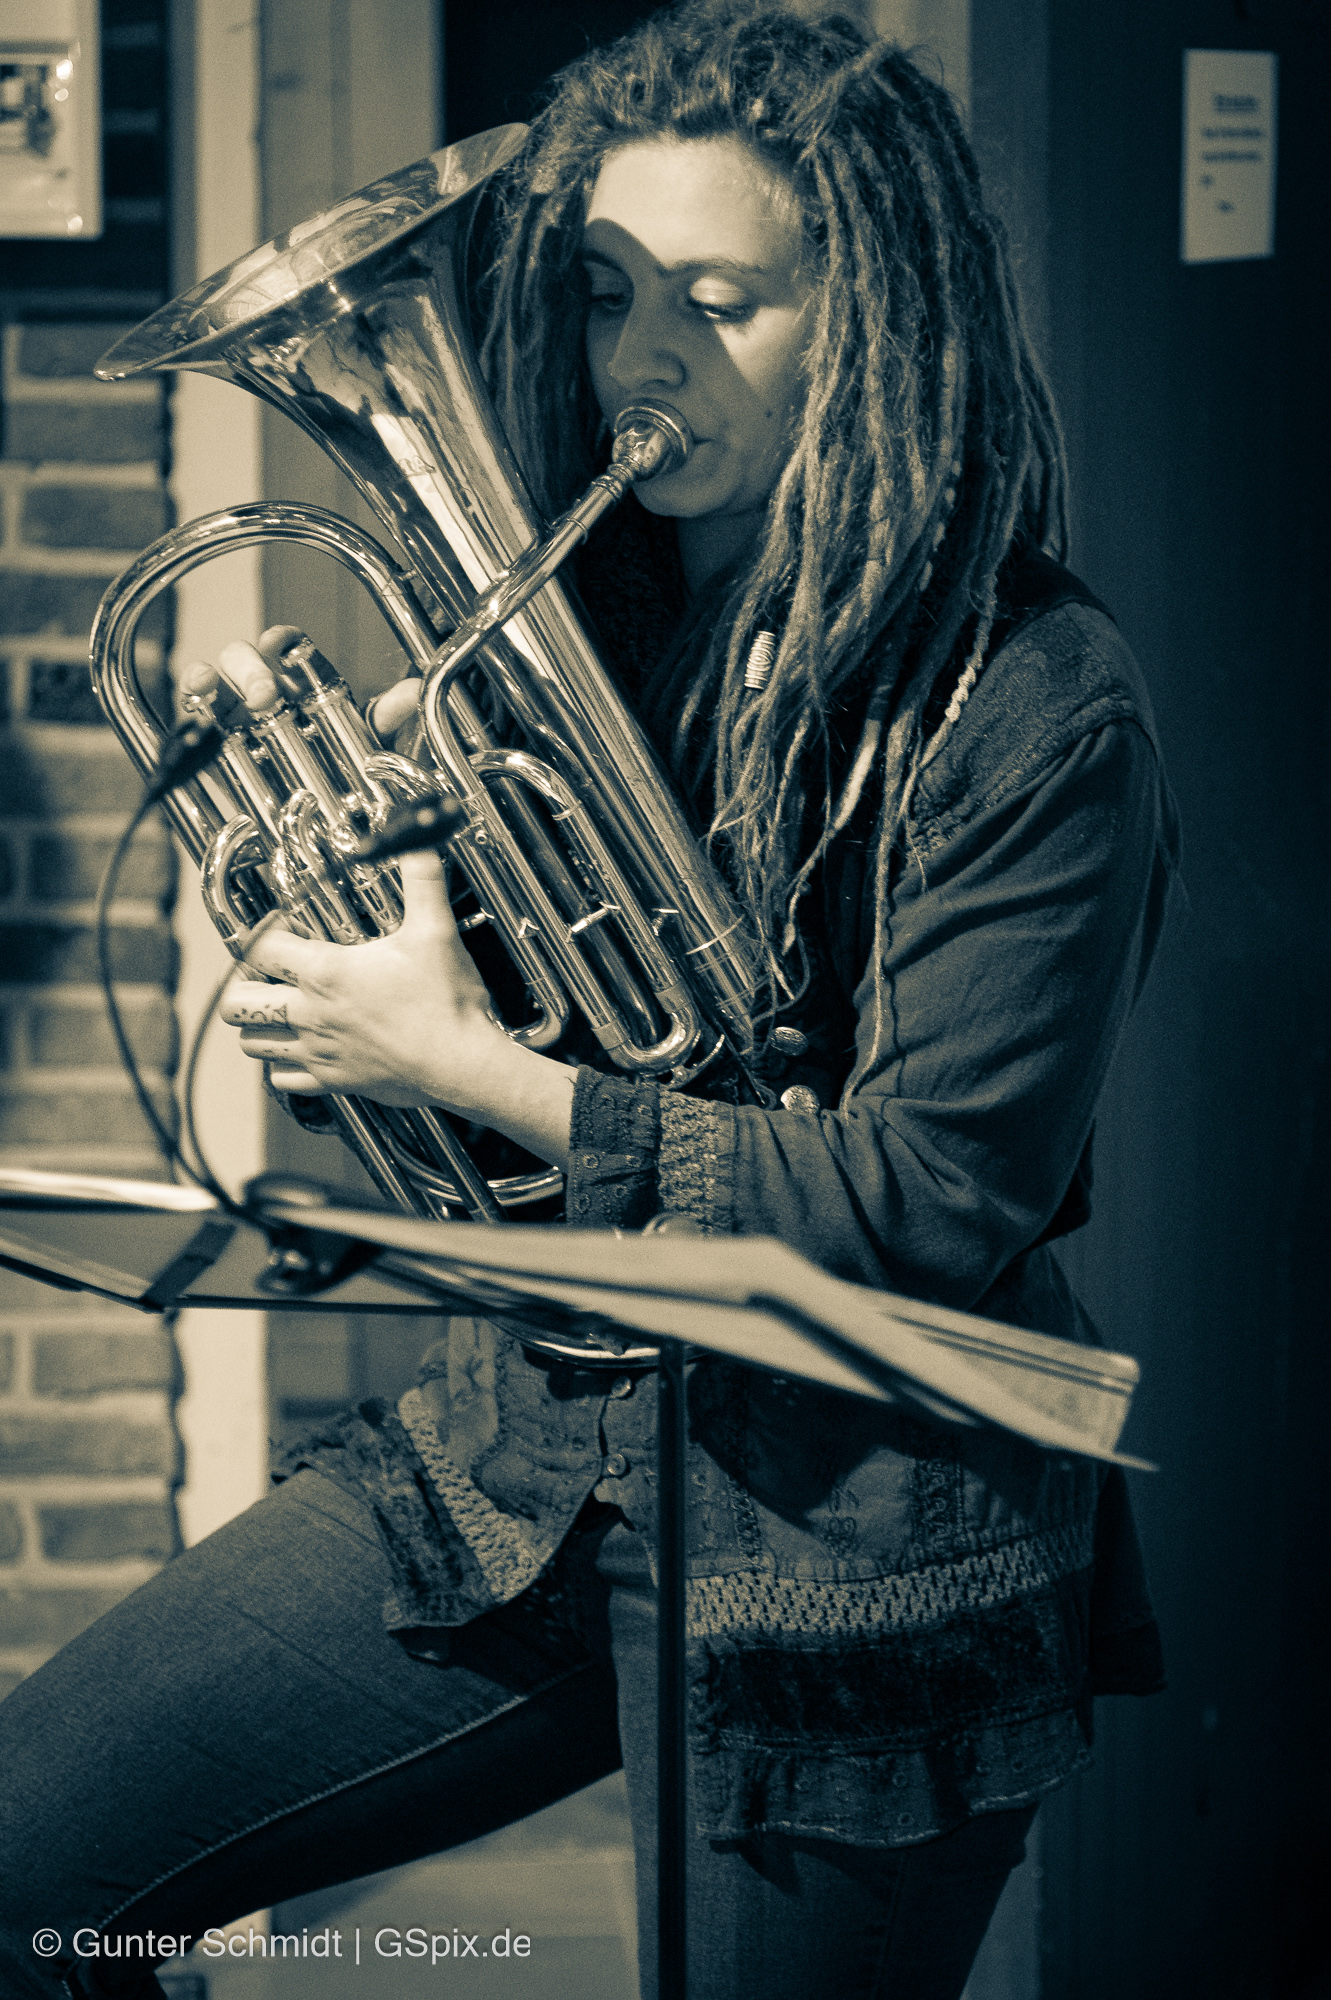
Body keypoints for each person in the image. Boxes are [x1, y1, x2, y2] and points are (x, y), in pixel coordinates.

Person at [0, 5, 1179, 1997]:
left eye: (720, 303)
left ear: (875, 322)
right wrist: (358, 925)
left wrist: (482, 1067)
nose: (644, 359)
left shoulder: (1042, 701)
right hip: (530, 1466)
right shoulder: (591, 627)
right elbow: (468, 1136)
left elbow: (927, 1207)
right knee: (30, 1859)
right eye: (612, 295)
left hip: (861, 1542)